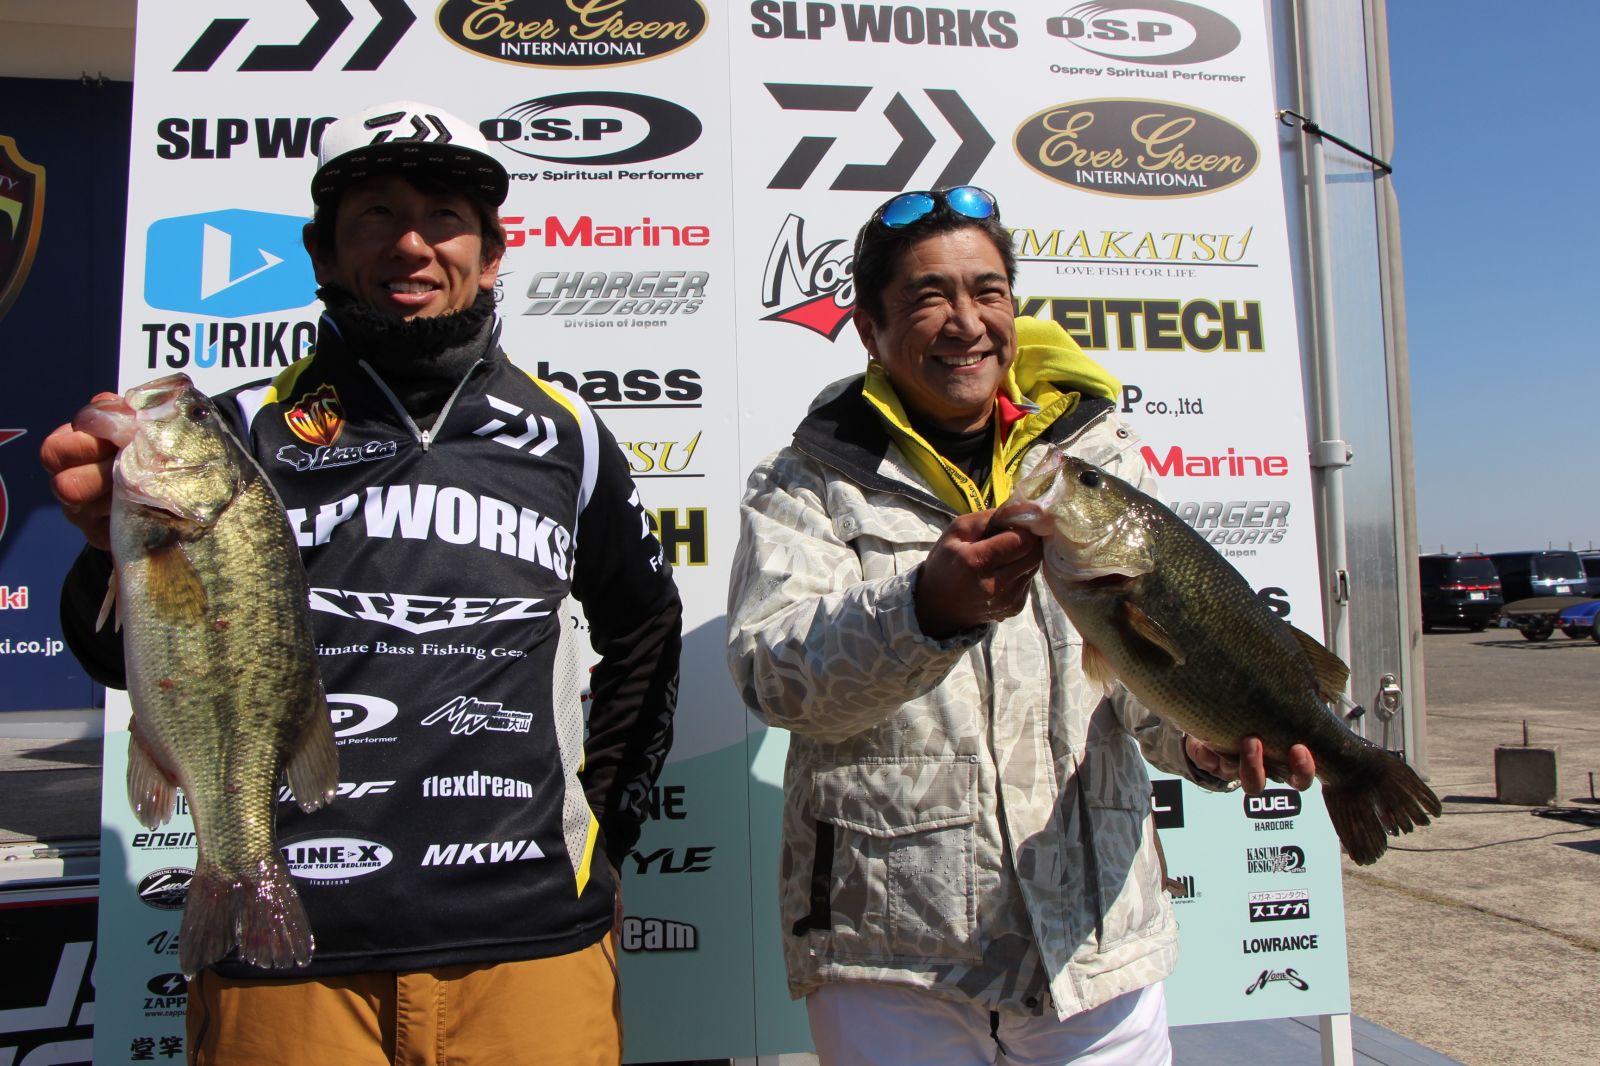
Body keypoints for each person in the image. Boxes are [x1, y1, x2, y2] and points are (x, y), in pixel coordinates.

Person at [42, 100, 681, 1065]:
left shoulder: (570, 433)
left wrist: (610, 828)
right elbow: (112, 656)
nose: (411, 244)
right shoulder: (235, 432)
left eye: (444, 217)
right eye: (376, 214)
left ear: (492, 255)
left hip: (530, 940)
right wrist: (108, 550)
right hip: (288, 943)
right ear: (323, 254)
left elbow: (645, 628)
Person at [725, 186, 1314, 1065]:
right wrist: (921, 610)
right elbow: (774, 679)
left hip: (1097, 948)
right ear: (870, 330)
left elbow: (1140, 672)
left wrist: (1203, 744)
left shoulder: (1097, 463)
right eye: (928, 297)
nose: (966, 322)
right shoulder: (805, 481)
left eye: (987, 291)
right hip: (891, 958)